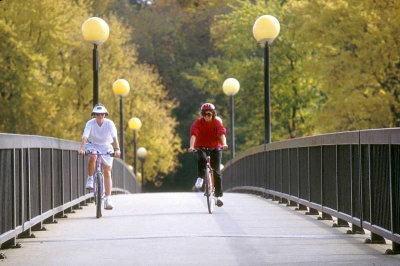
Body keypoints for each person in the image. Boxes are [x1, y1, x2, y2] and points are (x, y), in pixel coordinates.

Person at [78, 104, 121, 210]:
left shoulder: (109, 123)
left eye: (102, 114)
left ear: (105, 115)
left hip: (106, 146)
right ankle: (90, 178)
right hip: (93, 145)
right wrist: (82, 148)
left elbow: (114, 137)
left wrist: (117, 149)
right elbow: (85, 136)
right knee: (93, 155)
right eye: (97, 115)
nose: (100, 116)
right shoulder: (90, 123)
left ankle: (108, 198)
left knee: (107, 172)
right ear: (94, 115)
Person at [188, 103, 228, 207]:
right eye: (204, 114)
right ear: (202, 114)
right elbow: (193, 134)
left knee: (217, 171)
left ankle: (219, 196)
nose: (206, 116)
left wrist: (224, 144)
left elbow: (221, 133)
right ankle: (201, 177)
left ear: (213, 114)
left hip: (216, 147)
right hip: (201, 146)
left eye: (209, 114)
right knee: (201, 158)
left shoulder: (216, 122)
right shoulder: (198, 122)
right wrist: (192, 146)